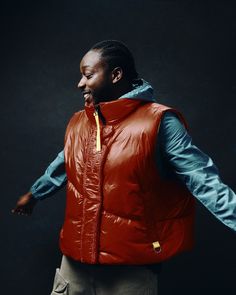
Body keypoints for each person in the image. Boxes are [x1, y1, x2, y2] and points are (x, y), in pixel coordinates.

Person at [12, 40, 236, 295]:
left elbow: (204, 179)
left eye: (88, 75)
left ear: (116, 75)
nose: (80, 84)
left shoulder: (159, 122)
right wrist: (34, 194)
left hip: (130, 272)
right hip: (73, 268)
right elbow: (63, 163)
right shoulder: (79, 122)